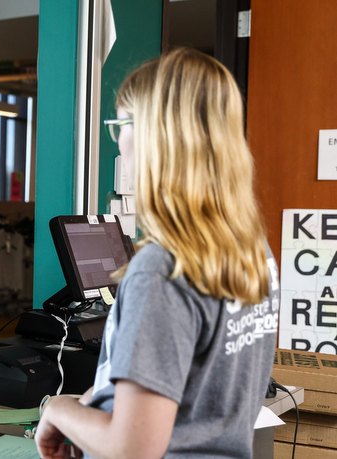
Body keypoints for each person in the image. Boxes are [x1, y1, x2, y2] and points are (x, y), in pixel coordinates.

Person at [35, 48, 280, 458]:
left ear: (155, 135)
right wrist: (102, 400)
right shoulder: (252, 252)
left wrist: (58, 409)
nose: (120, 140)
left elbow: (133, 449)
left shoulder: (162, 268)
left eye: (121, 124)